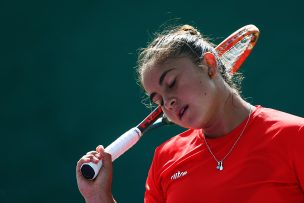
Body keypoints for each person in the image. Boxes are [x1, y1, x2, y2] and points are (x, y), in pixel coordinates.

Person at [76, 24, 304, 203]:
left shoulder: (296, 135)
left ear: (210, 64)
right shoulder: (164, 159)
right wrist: (98, 197)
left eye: (171, 82)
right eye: (158, 100)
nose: (169, 101)